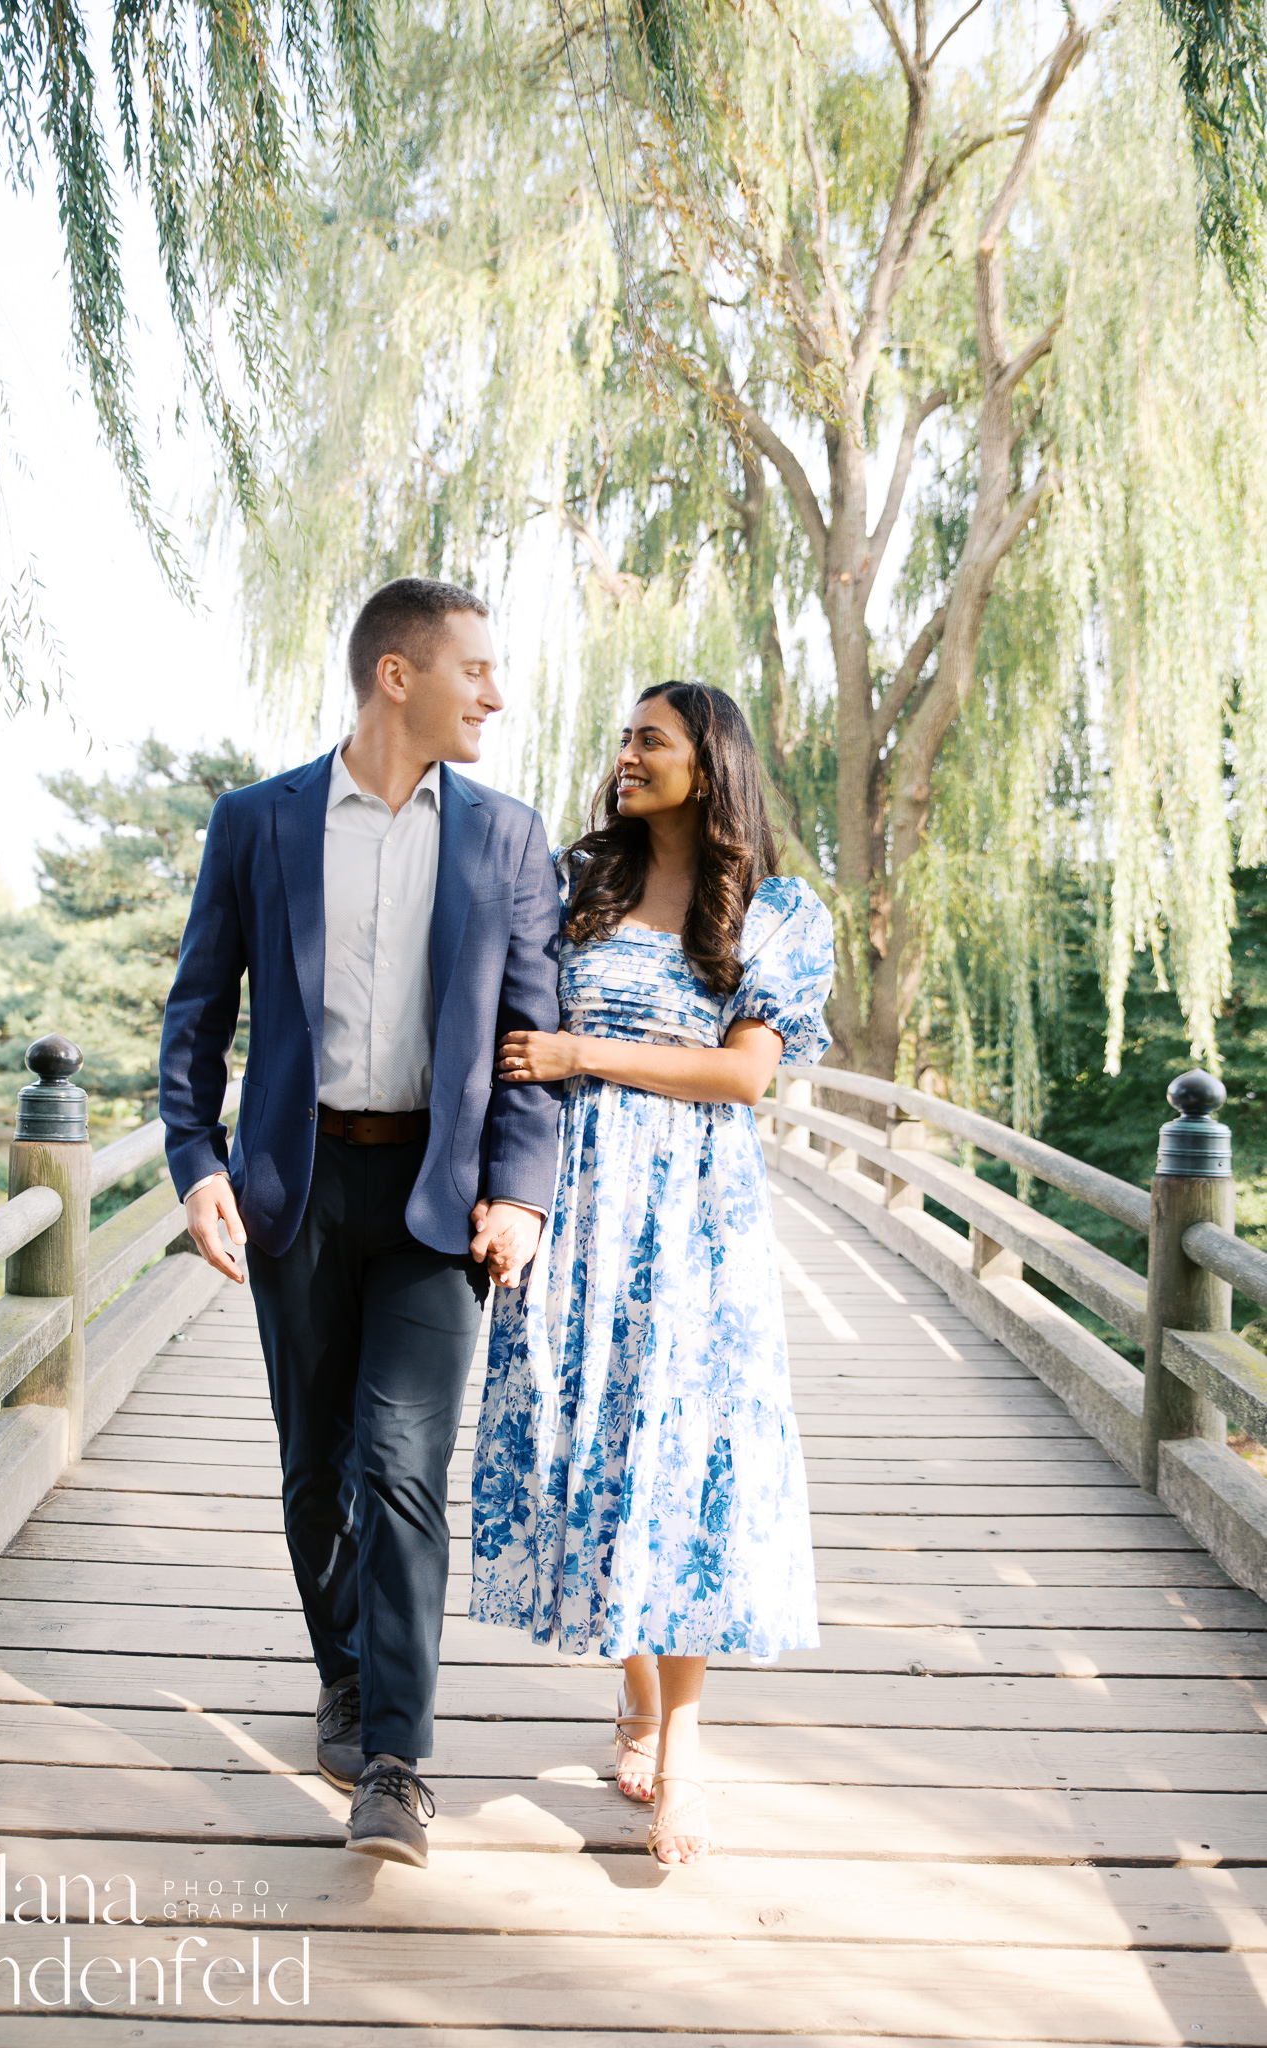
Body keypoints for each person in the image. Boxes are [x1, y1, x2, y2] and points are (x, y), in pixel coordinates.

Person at [158, 577, 561, 1870]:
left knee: (396, 1463)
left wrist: (524, 1189)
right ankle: (342, 1673)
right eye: (475, 670)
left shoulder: (505, 836)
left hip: (436, 1202)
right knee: (311, 1468)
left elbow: (529, 1046)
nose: (493, 694)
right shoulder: (258, 823)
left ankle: (394, 1758)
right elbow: (196, 1014)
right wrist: (193, 1160)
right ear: (398, 675)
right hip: (300, 1187)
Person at [469, 680, 833, 1866]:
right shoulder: (579, 888)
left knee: (683, 1472)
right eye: (622, 736)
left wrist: (582, 1050)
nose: (625, 754)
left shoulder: (777, 911)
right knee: (598, 1453)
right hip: (577, 1206)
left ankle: (679, 1756)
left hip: (692, 1223)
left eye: (650, 739)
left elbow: (742, 1078)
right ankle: (630, 1691)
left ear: (707, 761)